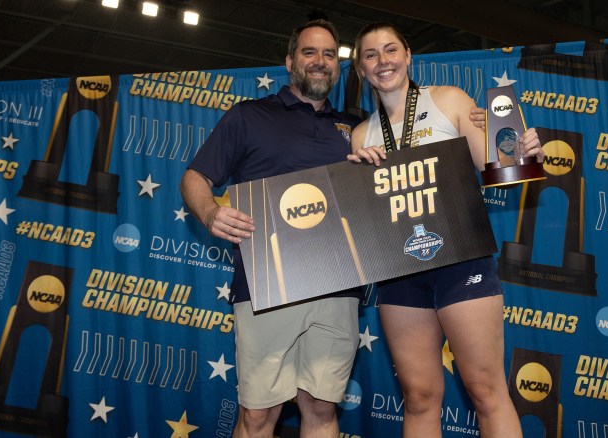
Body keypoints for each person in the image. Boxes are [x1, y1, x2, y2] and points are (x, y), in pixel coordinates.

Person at [347, 22, 544, 438]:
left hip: (461, 261)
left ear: (408, 56)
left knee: (486, 391)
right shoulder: (361, 134)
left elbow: (501, 169)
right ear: (361, 69)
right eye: (371, 54)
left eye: (391, 49)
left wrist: (521, 153)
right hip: (400, 273)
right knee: (419, 397)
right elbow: (367, 214)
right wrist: (359, 178)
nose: (383, 61)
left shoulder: (449, 99)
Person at [180, 20, 363, 438]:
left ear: (338, 67)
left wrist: (474, 125)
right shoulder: (248, 116)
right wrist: (209, 213)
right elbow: (195, 177)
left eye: (330, 54)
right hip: (265, 286)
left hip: (338, 284)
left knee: (321, 407)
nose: (320, 61)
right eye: (309, 52)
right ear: (289, 61)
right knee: (259, 415)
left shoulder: (358, 127)